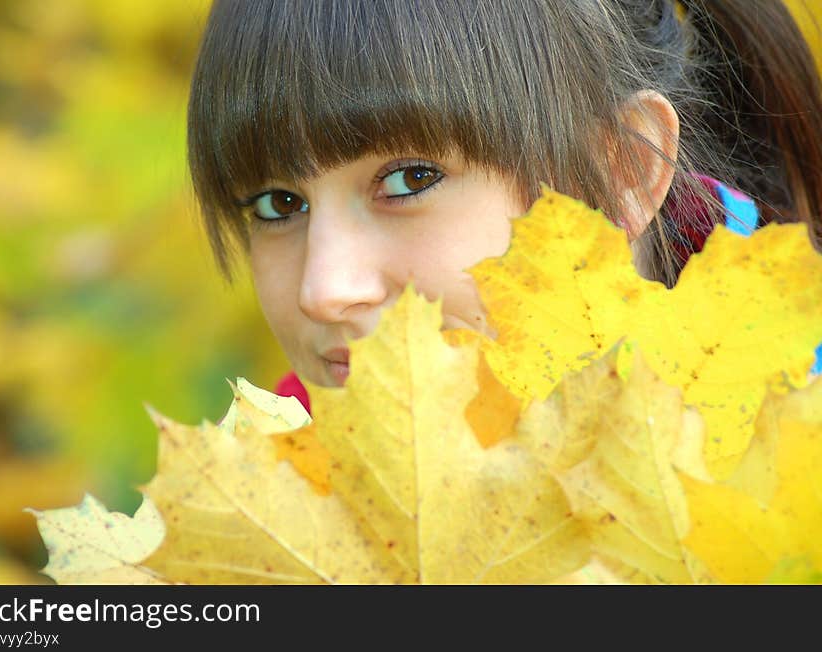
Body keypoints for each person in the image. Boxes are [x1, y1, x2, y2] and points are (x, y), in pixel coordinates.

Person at [186, 0, 822, 413]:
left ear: (625, 171)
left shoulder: (788, 481)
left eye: (409, 180)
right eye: (279, 203)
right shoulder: (270, 510)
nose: (322, 290)